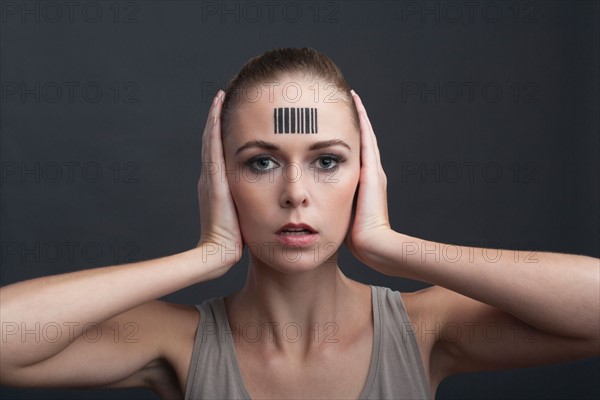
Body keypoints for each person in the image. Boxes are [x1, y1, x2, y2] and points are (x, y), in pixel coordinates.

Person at [0, 47, 598, 400]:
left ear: (366, 176)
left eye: (328, 161)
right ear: (219, 179)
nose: (294, 194)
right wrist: (204, 255)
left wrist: (392, 246)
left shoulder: (424, 330)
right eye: (260, 162)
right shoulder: (174, 342)